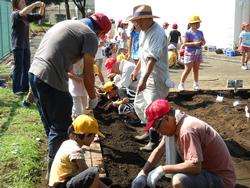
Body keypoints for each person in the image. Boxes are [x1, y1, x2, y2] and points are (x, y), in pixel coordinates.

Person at [29, 13, 111, 178]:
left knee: (51, 126)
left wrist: (30, 94)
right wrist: (93, 97)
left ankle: (56, 165)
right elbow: (89, 71)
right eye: (102, 35)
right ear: (100, 32)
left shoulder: (66, 25)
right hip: (51, 79)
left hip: (35, 74)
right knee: (61, 128)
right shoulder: (89, 35)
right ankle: (56, 175)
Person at [132, 99, 236, 188]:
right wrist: (142, 173)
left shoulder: (187, 130)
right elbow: (159, 150)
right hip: (207, 172)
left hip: (221, 180)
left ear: (166, 118)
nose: (157, 131)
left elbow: (195, 167)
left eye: (156, 127)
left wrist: (163, 169)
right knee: (174, 152)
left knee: (178, 180)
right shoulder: (176, 124)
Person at [128, 5, 170, 151]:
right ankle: (149, 130)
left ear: (146, 19)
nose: (135, 24)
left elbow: (152, 59)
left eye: (137, 21)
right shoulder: (143, 32)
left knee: (154, 108)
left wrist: (144, 80)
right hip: (146, 74)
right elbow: (143, 55)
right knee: (140, 104)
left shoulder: (157, 33)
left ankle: (154, 140)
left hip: (156, 77)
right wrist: (136, 70)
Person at [49, 114, 111, 188]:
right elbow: (86, 171)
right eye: (93, 135)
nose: (94, 138)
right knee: (93, 172)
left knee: (106, 181)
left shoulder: (68, 142)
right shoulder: (75, 149)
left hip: (65, 182)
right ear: (86, 134)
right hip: (61, 185)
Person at [11, 0, 45, 95]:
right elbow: (22, 12)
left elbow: (40, 16)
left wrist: (42, 7)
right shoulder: (15, 14)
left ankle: (25, 88)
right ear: (16, 4)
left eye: (24, 1)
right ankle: (17, 89)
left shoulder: (26, 16)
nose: (24, 3)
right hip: (17, 45)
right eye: (22, 2)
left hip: (26, 45)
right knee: (19, 67)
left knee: (27, 67)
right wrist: (34, 4)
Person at [178, 15, 206, 91]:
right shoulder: (187, 32)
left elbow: (204, 41)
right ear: (191, 24)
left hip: (198, 52)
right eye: (196, 23)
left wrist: (202, 42)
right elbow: (184, 43)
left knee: (196, 69)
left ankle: (195, 84)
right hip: (189, 52)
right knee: (188, 69)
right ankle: (181, 84)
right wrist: (194, 43)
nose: (198, 24)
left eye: (198, 23)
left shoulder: (200, 32)